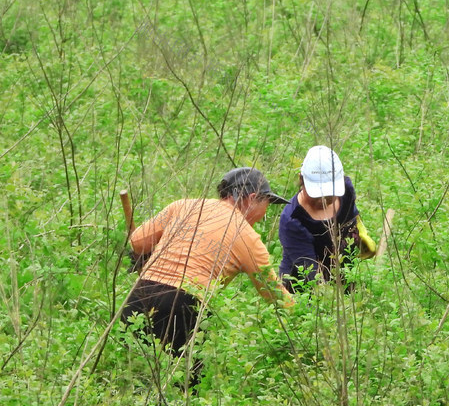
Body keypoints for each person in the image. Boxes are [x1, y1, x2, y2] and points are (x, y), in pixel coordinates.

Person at [123, 167, 294, 379]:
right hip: (182, 306)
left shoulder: (182, 206)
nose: (264, 215)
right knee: (184, 389)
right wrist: (303, 318)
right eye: (266, 204)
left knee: (131, 380)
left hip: (137, 296)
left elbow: (138, 242)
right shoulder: (246, 236)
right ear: (251, 198)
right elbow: (275, 295)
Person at [278, 145, 373, 292]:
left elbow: (352, 218)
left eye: (329, 194)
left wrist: (359, 234)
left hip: (344, 277)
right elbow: (311, 276)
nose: (323, 199)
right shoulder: (293, 219)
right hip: (303, 290)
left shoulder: (346, 193)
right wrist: (328, 302)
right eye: (317, 194)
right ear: (301, 180)